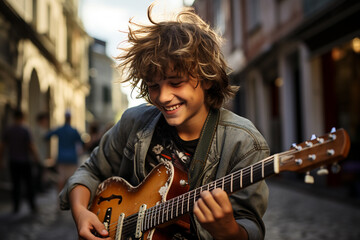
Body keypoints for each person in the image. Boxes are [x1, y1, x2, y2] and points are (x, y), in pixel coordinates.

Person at [59, 5, 270, 240]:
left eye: (176, 82)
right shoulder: (133, 122)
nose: (163, 96)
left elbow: (250, 226)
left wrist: (229, 231)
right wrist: (80, 212)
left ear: (207, 78)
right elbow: (91, 170)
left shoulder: (244, 143)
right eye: (153, 86)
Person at [0, 110, 39, 213]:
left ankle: (16, 207)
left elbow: (2, 146)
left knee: (15, 184)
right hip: (25, 161)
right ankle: (32, 206)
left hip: (13, 161)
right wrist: (36, 158)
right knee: (29, 184)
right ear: (23, 118)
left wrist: (1, 160)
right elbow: (31, 145)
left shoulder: (9, 130)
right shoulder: (25, 130)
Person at [45, 111, 84, 193]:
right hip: (72, 159)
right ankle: (70, 200)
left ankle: (59, 200)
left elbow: (47, 136)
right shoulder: (74, 131)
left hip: (61, 158)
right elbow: (82, 142)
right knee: (72, 180)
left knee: (61, 180)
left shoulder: (60, 130)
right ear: (70, 119)